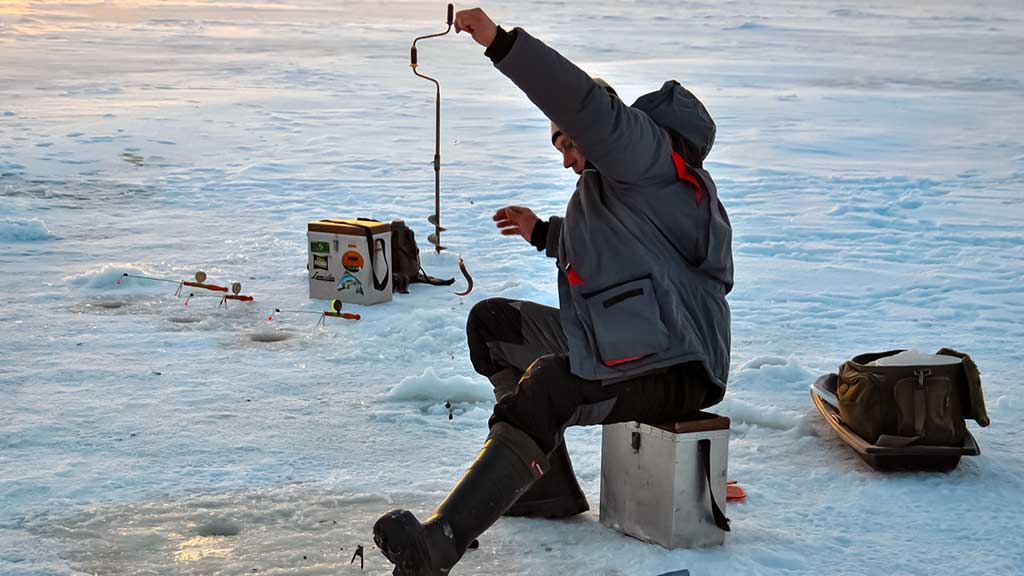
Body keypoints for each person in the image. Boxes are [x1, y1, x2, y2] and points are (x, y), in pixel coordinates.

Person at [373, 7, 734, 575]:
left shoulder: (649, 161)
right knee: (494, 325)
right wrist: (544, 233)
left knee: (550, 385)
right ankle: (546, 490)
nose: (567, 160)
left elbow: (583, 103)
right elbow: (625, 249)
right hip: (629, 341)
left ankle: (441, 543)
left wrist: (498, 42)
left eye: (571, 144)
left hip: (677, 365)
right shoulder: (631, 190)